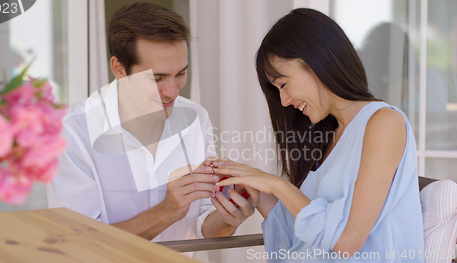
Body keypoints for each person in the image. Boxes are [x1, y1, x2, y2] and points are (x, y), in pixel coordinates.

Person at [212, 8, 424, 262]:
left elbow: (346, 241)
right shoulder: (329, 137)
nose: (284, 100)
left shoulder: (384, 122)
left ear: (315, 62)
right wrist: (255, 188)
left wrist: (277, 185)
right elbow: (304, 235)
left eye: (283, 84)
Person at [47, 2, 255, 244]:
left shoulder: (195, 117)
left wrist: (230, 215)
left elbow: (204, 226)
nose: (173, 92)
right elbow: (78, 243)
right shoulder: (72, 132)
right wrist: (166, 211)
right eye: (157, 78)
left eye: (180, 74)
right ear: (119, 68)